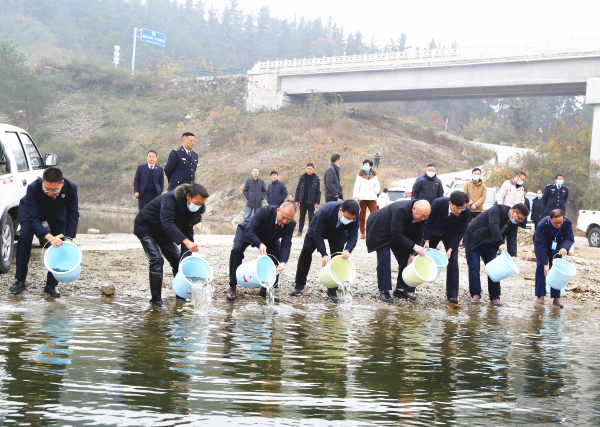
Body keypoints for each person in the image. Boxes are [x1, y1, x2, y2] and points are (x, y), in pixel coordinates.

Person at [134, 182, 209, 305]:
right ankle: (156, 301)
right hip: (146, 227)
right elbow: (167, 223)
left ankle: (181, 295)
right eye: (197, 203)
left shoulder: (195, 210)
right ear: (188, 196)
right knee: (157, 259)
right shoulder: (170, 199)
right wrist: (186, 241)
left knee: (177, 261)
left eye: (201, 204)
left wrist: (185, 259)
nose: (198, 206)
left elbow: (187, 232)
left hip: (164, 232)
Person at [10, 167, 79, 297]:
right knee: (24, 237)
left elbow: (73, 214)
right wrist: (48, 237)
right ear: (42, 181)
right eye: (46, 189)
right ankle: (20, 280)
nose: (50, 193)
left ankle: (51, 285)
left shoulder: (71, 188)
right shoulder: (33, 187)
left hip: (56, 212)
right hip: (31, 212)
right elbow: (33, 219)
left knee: (60, 243)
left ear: (62, 183)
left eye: (54, 190)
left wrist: (69, 238)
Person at [227, 202, 297, 302]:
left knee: (276, 255)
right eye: (283, 217)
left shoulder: (291, 224)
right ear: (278, 210)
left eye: (288, 219)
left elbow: (286, 244)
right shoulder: (265, 211)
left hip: (269, 237)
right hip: (248, 231)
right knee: (236, 250)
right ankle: (232, 286)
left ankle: (266, 289)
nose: (285, 221)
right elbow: (249, 230)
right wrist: (259, 244)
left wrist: (283, 262)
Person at [291, 200, 360, 302]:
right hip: (318, 228)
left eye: (351, 219)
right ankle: (299, 283)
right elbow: (318, 234)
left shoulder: (355, 216)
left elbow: (353, 236)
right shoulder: (326, 210)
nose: (349, 220)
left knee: (337, 258)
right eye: (346, 217)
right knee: (306, 251)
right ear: (340, 210)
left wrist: (348, 249)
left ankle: (332, 289)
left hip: (339, 233)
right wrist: (324, 253)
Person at [366, 199, 431, 303]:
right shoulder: (401, 209)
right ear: (414, 209)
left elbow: (418, 235)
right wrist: (415, 247)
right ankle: (384, 290)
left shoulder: (422, 216)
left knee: (406, 258)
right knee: (385, 257)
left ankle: (400, 289)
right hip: (380, 228)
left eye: (426, 216)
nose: (423, 219)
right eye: (422, 216)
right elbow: (396, 234)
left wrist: (412, 253)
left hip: (397, 231)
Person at [464, 203, 529, 306]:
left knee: (494, 268)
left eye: (522, 219)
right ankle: (475, 294)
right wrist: (500, 242)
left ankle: (495, 296)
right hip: (474, 239)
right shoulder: (498, 209)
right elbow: (493, 225)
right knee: (474, 267)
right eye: (519, 218)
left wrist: (513, 255)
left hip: (490, 244)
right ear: (513, 212)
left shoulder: (514, 223)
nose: (519, 221)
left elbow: (512, 238)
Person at [422, 192, 471, 303]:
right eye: (457, 208)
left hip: (451, 235)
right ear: (450, 203)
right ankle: (409, 286)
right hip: (434, 232)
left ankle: (452, 295)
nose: (460, 211)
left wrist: (451, 248)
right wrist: (426, 240)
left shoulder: (467, 212)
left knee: (453, 260)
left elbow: (461, 231)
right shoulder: (438, 203)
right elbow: (428, 221)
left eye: (462, 208)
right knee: (422, 254)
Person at [533, 209, 574, 308]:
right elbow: (540, 245)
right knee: (541, 268)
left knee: (557, 270)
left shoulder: (567, 223)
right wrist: (545, 263)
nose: (558, 225)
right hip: (543, 245)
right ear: (550, 219)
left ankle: (556, 297)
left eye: (560, 223)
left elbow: (569, 238)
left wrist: (565, 248)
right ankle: (540, 295)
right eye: (556, 223)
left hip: (558, 246)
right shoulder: (542, 225)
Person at [353, 159, 380, 239]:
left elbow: (377, 186)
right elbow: (356, 186)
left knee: (374, 215)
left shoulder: (374, 175)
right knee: (361, 216)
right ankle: (362, 233)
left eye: (367, 165)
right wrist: (356, 197)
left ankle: (374, 232)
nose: (365, 166)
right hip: (362, 198)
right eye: (364, 165)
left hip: (372, 197)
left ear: (370, 166)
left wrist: (374, 192)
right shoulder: (359, 175)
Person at [294, 163, 321, 236]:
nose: (309, 170)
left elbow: (318, 191)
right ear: (306, 169)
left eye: (310, 169)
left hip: (312, 201)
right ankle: (300, 231)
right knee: (302, 216)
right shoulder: (302, 177)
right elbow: (298, 189)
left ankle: (310, 231)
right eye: (308, 168)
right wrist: (297, 200)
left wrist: (317, 202)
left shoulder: (316, 179)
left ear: (313, 169)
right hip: (302, 200)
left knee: (311, 217)